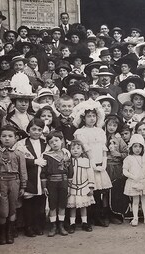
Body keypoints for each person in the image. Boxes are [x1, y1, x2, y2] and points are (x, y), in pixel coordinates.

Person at [72, 99, 112, 227]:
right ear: (84, 118)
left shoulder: (100, 131)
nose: (92, 119)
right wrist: (92, 163)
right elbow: (85, 150)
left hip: (100, 164)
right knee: (89, 191)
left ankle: (99, 216)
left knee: (100, 192)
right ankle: (86, 219)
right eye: (89, 116)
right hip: (87, 166)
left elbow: (103, 148)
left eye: (94, 116)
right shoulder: (80, 133)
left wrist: (103, 163)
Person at [0, 125, 27, 245]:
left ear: (16, 138)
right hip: (0, 182)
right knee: (3, 210)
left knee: (13, 208)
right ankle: (1, 233)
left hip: (14, 182)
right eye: (4, 136)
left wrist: (23, 186)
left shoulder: (19, 153)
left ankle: (9, 232)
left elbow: (23, 170)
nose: (7, 139)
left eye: (10, 136)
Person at [15, 119, 47, 237]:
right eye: (33, 129)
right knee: (29, 204)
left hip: (42, 177)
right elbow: (18, 158)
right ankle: (28, 226)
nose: (36, 132)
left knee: (40, 203)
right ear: (28, 130)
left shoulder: (45, 143)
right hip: (29, 176)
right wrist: (34, 161)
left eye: (39, 130)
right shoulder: (22, 143)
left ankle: (38, 225)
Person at [41, 131, 73, 237]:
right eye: (51, 142)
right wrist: (44, 187)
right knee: (52, 205)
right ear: (49, 144)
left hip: (63, 182)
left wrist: (69, 185)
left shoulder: (66, 154)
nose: (54, 143)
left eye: (56, 140)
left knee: (62, 204)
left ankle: (61, 225)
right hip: (51, 183)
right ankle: (53, 226)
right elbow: (43, 172)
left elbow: (70, 170)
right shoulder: (46, 156)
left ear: (62, 141)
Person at [123, 134, 145, 226]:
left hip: (143, 181)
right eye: (135, 146)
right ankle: (135, 218)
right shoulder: (129, 158)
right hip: (134, 182)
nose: (138, 149)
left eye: (140, 147)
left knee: (144, 201)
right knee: (135, 201)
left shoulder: (144, 158)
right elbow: (124, 171)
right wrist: (133, 177)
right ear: (131, 147)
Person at [67, 139, 95, 233]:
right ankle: (72, 223)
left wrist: (91, 187)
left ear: (82, 150)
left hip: (84, 187)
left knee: (83, 206)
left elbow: (90, 174)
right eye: (73, 148)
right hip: (72, 187)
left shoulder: (86, 161)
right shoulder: (68, 161)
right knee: (73, 206)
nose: (75, 150)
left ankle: (85, 222)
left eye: (78, 148)